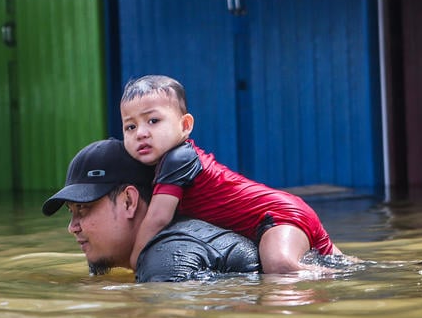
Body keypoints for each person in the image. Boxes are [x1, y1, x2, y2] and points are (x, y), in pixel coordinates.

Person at [120, 74, 343, 273]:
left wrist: (135, 258)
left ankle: (331, 276)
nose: (141, 133)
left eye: (153, 121)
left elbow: (158, 218)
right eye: (130, 127)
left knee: (279, 267)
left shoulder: (178, 158)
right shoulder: (166, 163)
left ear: (185, 125)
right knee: (345, 262)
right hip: (281, 213)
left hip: (276, 216)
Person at [42, 139, 261, 283]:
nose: (72, 227)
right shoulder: (170, 245)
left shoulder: (166, 255)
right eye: (71, 211)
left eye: (83, 208)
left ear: (129, 201)